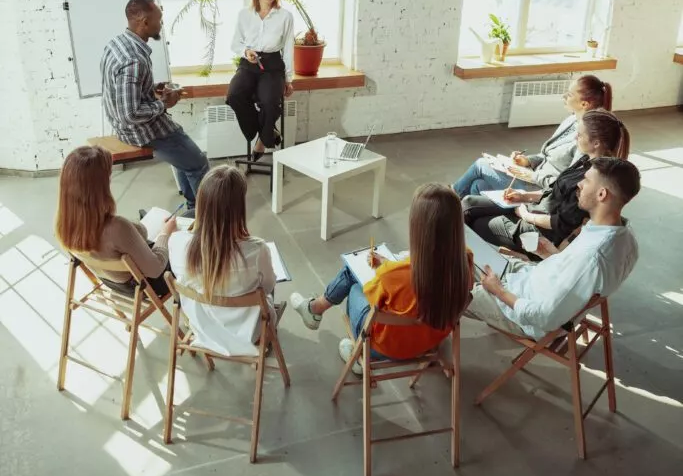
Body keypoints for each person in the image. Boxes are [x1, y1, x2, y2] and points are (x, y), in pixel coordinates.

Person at [289, 184, 473, 371]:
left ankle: (323, 317)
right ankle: (315, 309)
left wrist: (386, 269)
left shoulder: (394, 275)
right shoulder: (465, 261)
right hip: (430, 342)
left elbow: (373, 300)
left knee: (353, 277)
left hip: (384, 347)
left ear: (418, 227)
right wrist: (389, 265)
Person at [466, 157, 640, 340]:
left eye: (587, 180)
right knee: (470, 252)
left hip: (523, 312)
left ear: (602, 194)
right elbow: (577, 276)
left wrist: (498, 291)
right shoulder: (625, 236)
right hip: (531, 278)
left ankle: (433, 341)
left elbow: (545, 317)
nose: (579, 184)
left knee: (447, 289)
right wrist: (551, 254)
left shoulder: (593, 257)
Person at [463, 109, 629, 254]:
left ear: (596, 143)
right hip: (532, 209)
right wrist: (523, 196)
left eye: (580, 135)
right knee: (469, 202)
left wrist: (526, 216)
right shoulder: (584, 160)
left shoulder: (592, 179)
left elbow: (560, 223)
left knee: (474, 221)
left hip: (539, 230)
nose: (575, 138)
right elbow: (553, 190)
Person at [101, 0, 209, 214]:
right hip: (138, 130)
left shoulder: (117, 43)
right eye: (158, 19)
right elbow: (129, 114)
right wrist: (164, 103)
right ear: (143, 20)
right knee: (199, 164)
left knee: (184, 150)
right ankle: (203, 217)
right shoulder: (134, 60)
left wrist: (152, 87)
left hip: (124, 126)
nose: (161, 24)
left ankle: (192, 207)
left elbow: (120, 91)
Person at [168, 165, 285, 353]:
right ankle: (266, 340)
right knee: (267, 287)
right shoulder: (256, 250)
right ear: (239, 208)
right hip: (248, 332)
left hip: (202, 327)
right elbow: (269, 286)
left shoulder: (177, 242)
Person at [453, 75, 613, 196]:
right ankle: (458, 222)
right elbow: (548, 155)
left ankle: (445, 199)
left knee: (481, 165)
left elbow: (567, 183)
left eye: (570, 95)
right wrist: (527, 160)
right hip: (532, 176)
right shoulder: (571, 120)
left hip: (540, 189)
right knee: (478, 186)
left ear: (584, 104)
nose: (564, 96)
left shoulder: (587, 139)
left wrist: (532, 175)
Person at [55, 145, 175, 296]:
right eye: (108, 176)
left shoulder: (64, 225)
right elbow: (155, 270)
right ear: (100, 186)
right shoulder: (117, 227)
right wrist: (165, 234)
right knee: (187, 227)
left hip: (112, 282)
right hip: (146, 285)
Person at [227, 0, 295, 160]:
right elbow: (235, 43)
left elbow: (288, 48)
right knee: (234, 95)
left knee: (270, 102)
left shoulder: (285, 16)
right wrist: (245, 52)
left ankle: (261, 142)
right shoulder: (244, 14)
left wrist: (289, 79)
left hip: (272, 65)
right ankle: (266, 132)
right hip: (249, 63)